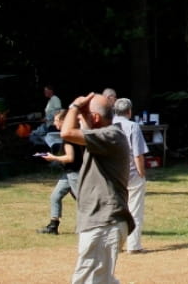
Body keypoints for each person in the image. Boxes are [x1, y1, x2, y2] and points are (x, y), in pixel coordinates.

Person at [60, 91, 135, 283]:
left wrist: (75, 106)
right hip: (102, 223)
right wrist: (83, 113)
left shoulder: (110, 136)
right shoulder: (103, 137)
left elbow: (66, 133)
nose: (78, 118)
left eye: (83, 114)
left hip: (104, 223)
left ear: (95, 117)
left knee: (87, 280)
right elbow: (83, 128)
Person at [37, 109, 84, 235]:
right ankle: (53, 226)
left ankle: (84, 228)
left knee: (83, 201)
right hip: (68, 173)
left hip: (75, 173)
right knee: (55, 196)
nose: (54, 123)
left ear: (64, 121)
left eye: (57, 120)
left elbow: (70, 158)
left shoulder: (69, 137)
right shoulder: (72, 134)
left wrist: (53, 158)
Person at [113, 98, 148, 254]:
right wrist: (142, 172)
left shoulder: (109, 124)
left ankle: (116, 244)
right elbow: (138, 154)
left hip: (114, 174)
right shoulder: (133, 126)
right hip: (132, 173)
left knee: (117, 210)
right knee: (135, 210)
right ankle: (133, 245)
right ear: (129, 111)